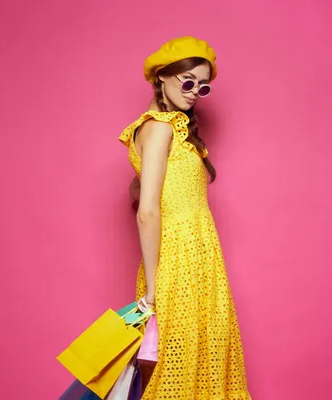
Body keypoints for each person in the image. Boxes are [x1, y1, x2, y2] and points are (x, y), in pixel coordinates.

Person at [118, 36, 252, 399]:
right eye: (187, 81)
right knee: (179, 365)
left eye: (203, 86)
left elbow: (139, 190)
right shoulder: (160, 128)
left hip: (200, 257)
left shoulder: (169, 130)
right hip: (176, 263)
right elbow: (146, 211)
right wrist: (154, 288)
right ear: (162, 77)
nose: (194, 92)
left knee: (205, 354)